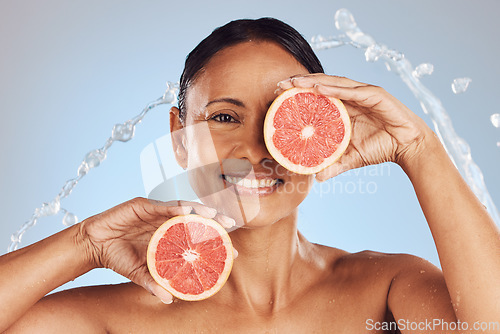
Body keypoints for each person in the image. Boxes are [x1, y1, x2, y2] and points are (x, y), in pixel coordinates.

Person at [2, 18, 499, 333]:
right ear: (180, 138)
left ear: (322, 133)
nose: (255, 149)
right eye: (223, 117)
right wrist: (85, 243)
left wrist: (419, 149)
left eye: (281, 119)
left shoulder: (386, 290)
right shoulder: (115, 320)